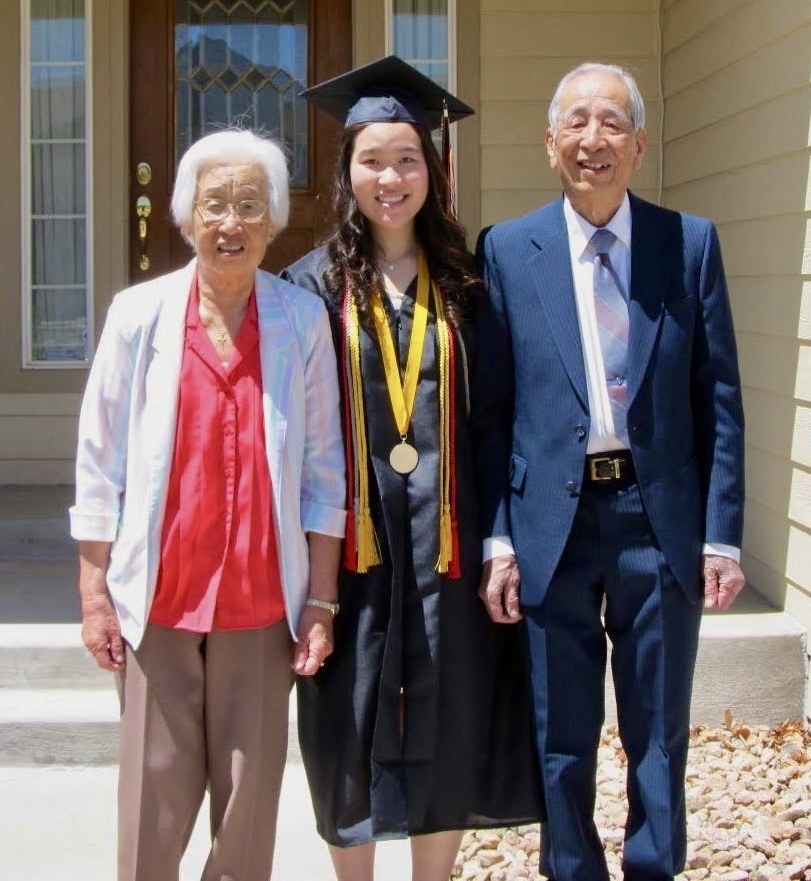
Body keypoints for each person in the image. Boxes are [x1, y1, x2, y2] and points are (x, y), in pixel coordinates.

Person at [473, 62, 746, 881]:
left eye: (612, 123)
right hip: (548, 523)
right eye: (577, 123)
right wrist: (496, 535)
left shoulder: (686, 243)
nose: (594, 140)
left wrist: (722, 534)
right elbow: (489, 411)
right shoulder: (506, 251)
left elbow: (720, 395)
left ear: (638, 144)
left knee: (657, 728)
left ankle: (653, 867)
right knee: (559, 731)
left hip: (655, 518)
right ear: (549, 141)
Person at [282, 56, 542, 881]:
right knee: (340, 716)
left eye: (407, 159)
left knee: (454, 707)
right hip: (350, 549)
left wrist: (502, 534)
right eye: (371, 160)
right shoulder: (308, 287)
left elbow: (502, 420)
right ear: (345, 171)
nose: (389, 177)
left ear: (433, 169)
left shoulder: (471, 285)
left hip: (449, 540)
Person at [69, 129, 346, 881]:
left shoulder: (299, 320)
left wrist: (319, 597)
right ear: (185, 217)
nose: (231, 223)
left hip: (261, 605)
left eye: (250, 206)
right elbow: (97, 462)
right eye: (214, 204)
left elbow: (326, 471)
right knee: (151, 809)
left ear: (275, 221)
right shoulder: (138, 315)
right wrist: (95, 592)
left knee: (247, 814)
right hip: (160, 600)